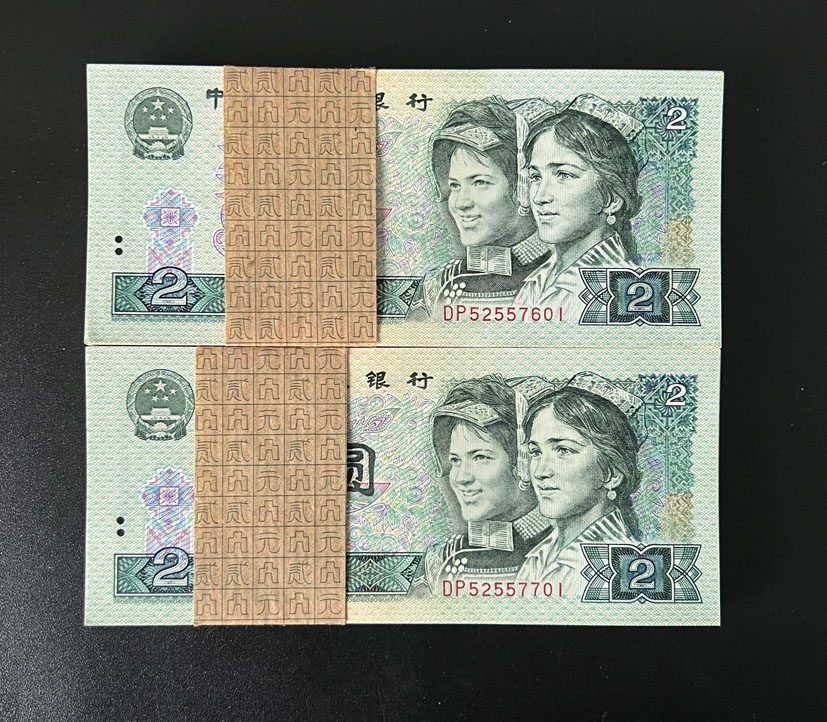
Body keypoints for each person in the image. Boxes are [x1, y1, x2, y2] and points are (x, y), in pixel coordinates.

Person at [413, 375, 554, 596]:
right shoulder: (439, 561)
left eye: (479, 457)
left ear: (524, 462)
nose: (461, 477)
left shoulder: (568, 552)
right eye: (455, 460)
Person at [410, 97, 548, 319]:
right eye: (454, 185)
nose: (460, 203)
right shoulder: (437, 287)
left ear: (523, 186)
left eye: (479, 182)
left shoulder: (567, 279)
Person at [513, 94, 644, 322]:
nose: (540, 197)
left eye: (563, 175)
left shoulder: (618, 293)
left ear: (612, 198)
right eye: (535, 177)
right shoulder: (537, 281)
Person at [513, 372, 643, 598]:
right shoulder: (539, 557)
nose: (540, 472)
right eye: (536, 452)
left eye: (563, 450)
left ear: (611, 473)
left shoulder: (622, 569)